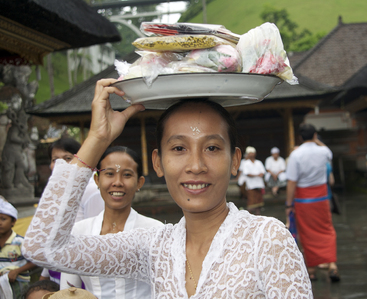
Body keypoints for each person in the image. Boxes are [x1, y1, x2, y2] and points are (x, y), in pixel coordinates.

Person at [23, 79, 312, 298]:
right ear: (158, 163)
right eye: (179, 148)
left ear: (234, 160)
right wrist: (98, 138)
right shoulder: (153, 248)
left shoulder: (267, 240)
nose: (196, 165)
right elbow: (43, 248)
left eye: (212, 147)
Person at [60, 146, 163, 298]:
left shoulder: (155, 232)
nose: (117, 182)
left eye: (127, 175)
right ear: (97, 180)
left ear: (139, 183)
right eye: (109, 174)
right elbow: (68, 291)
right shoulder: (78, 233)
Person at [40, 138, 105, 284]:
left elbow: (96, 236)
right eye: (54, 159)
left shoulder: (91, 190)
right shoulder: (56, 190)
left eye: (67, 158)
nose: (60, 164)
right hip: (56, 266)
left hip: (81, 269)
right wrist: (45, 272)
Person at [285, 124, 340, 283]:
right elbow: (328, 151)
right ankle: (332, 265)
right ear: (315, 135)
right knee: (327, 229)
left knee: (307, 233)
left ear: (300, 137)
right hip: (322, 197)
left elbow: (291, 182)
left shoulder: (296, 155)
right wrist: (317, 140)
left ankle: (312, 269)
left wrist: (289, 204)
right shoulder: (323, 152)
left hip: (304, 199)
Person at [0, 199, 36, 299]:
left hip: (18, 283)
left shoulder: (20, 242)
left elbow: (34, 261)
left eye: (3, 219)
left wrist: (16, 271)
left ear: (13, 222)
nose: (0, 223)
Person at [241, 146, 266, 215]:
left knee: (259, 202)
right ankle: (249, 217)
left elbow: (263, 172)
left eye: (253, 153)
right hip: (251, 185)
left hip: (259, 185)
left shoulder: (259, 162)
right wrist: (257, 175)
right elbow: (247, 173)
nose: (252, 154)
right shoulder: (246, 163)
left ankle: (258, 216)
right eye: (250, 153)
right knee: (251, 202)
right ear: (248, 154)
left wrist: (258, 175)